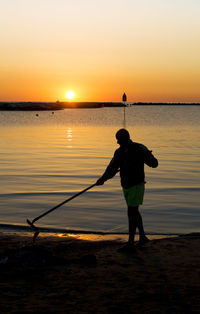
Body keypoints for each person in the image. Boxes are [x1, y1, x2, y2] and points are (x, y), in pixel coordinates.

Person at [96, 128, 158, 252]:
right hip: (126, 185)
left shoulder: (140, 148)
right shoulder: (119, 152)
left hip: (137, 184)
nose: (118, 143)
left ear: (125, 139)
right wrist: (102, 179)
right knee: (134, 211)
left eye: (119, 140)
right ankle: (142, 237)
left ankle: (131, 243)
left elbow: (154, 163)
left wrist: (146, 157)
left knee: (132, 212)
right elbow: (112, 168)